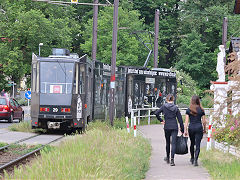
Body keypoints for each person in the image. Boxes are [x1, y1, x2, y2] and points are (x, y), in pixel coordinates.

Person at [154, 94, 184, 166]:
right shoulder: (176, 108)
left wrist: (161, 120)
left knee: (167, 142)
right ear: (173, 100)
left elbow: (156, 113)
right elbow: (180, 120)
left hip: (167, 126)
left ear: (167, 100)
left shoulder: (164, 106)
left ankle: (167, 157)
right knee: (173, 143)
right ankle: (172, 160)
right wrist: (182, 129)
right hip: (174, 126)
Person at [184, 95, 206, 166]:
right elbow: (204, 121)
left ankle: (192, 158)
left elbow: (186, 122)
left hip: (191, 128)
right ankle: (196, 160)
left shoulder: (188, 110)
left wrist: (185, 130)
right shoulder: (201, 110)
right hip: (199, 128)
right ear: (198, 101)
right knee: (198, 144)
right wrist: (204, 129)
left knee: (192, 143)